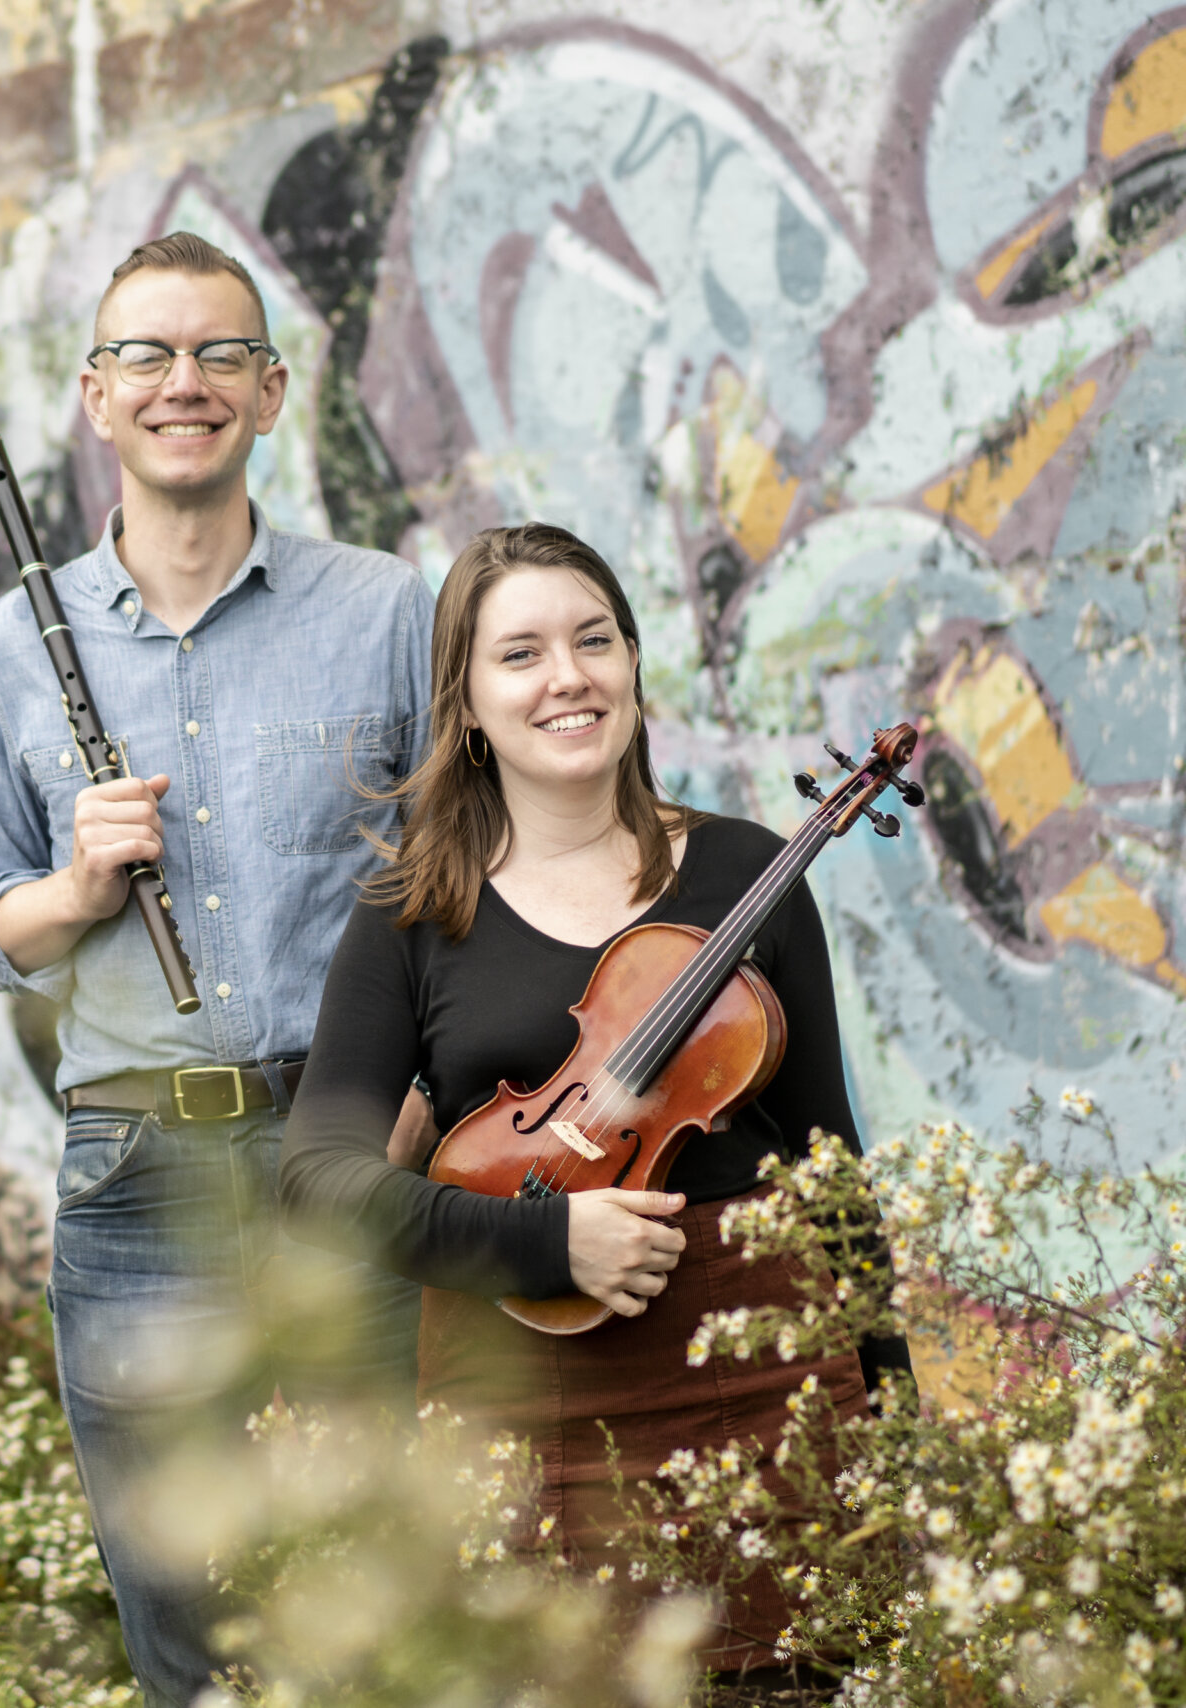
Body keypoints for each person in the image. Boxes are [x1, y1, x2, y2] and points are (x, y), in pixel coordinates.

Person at [0, 230, 432, 1706]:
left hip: (345, 1149)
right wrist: (74, 887)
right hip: (135, 1170)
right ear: (97, 397)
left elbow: (456, 886)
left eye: (220, 353)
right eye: (145, 355)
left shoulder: (385, 609)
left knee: (384, 1605)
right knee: (189, 1635)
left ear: (272, 392)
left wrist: (414, 1115)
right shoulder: (14, 649)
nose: (183, 383)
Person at [279, 522, 912, 1671]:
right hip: (521, 1387)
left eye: (593, 640)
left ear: (631, 664)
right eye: (518, 654)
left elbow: (833, 1169)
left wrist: (899, 1424)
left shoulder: (746, 872)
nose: (566, 676)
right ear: (466, 702)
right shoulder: (413, 914)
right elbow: (318, 1178)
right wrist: (540, 1239)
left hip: (762, 1369)